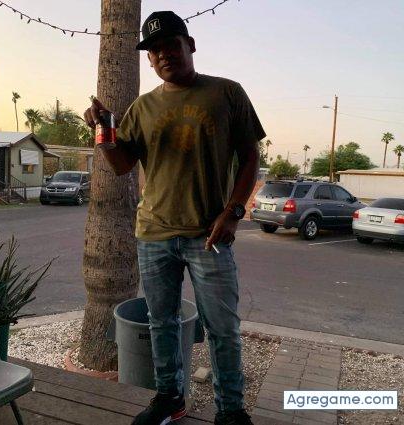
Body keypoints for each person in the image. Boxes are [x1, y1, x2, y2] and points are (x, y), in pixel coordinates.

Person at [85, 11, 265, 425]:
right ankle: (169, 398)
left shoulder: (226, 93)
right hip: (154, 234)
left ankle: (231, 411)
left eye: (171, 44)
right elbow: (121, 166)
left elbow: (250, 156)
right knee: (161, 323)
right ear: (149, 60)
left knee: (222, 327)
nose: (163, 54)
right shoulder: (142, 107)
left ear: (190, 45)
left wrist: (234, 212)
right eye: (154, 50)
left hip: (209, 235)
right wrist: (103, 132)